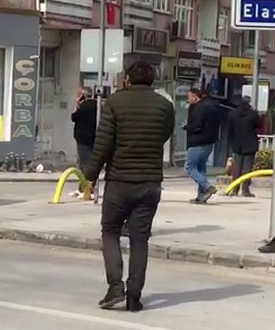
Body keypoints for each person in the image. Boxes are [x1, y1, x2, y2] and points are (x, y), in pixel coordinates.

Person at [83, 61, 174, 313]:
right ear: (152, 80)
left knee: (110, 230)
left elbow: (103, 143)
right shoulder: (164, 105)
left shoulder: (115, 102)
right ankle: (134, 295)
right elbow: (164, 135)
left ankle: (115, 286)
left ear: (127, 79)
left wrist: (90, 175)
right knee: (140, 238)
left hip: (120, 181)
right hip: (150, 182)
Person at [183, 88, 220, 203]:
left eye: (189, 97)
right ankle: (201, 196)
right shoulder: (212, 107)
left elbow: (197, 126)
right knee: (200, 169)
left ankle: (208, 186)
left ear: (195, 96)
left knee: (189, 168)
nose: (188, 100)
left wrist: (186, 127)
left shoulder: (199, 108)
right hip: (209, 143)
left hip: (197, 142)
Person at [226, 96, 262, 197]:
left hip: (237, 144)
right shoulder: (253, 114)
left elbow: (229, 130)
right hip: (250, 144)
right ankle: (245, 190)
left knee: (237, 168)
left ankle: (234, 189)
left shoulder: (233, 114)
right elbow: (259, 124)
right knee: (247, 168)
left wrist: (231, 142)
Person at [70, 86, 97, 199]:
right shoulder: (97, 105)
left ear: (82, 96)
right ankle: (82, 188)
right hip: (93, 138)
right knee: (85, 164)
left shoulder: (84, 106)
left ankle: (88, 190)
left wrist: (77, 104)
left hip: (83, 139)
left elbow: (73, 117)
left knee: (85, 165)